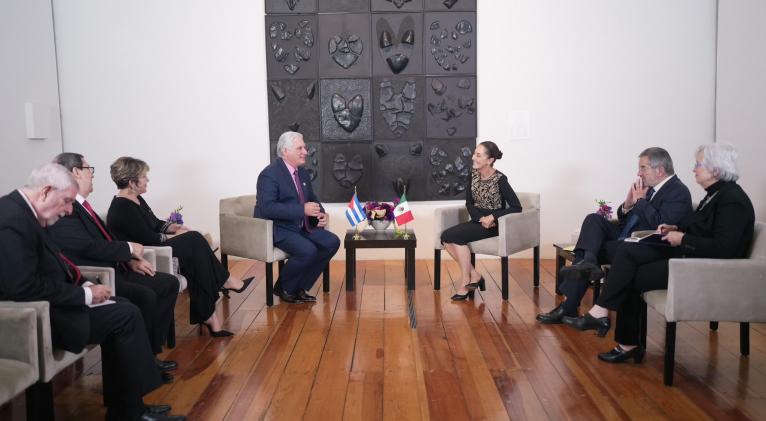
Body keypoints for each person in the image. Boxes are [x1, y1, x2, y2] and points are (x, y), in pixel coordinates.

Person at [0, 164, 184, 421]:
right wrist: (85, 296)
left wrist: (85, 285)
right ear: (45, 192)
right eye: (65, 202)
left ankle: (128, 407)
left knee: (121, 305)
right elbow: (23, 287)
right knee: (125, 314)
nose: (67, 210)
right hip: (34, 318)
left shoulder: (23, 212)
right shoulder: (11, 221)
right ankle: (129, 412)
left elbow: (56, 265)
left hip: (51, 304)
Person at [563, 143, 755, 363]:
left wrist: (682, 237)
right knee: (626, 257)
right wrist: (675, 229)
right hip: (688, 260)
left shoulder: (732, 200)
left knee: (628, 269)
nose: (693, 169)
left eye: (698, 164)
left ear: (716, 168)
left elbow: (725, 249)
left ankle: (614, 327)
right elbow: (701, 229)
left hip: (700, 270)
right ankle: (614, 328)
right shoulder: (716, 195)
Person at [47, 153, 180, 380]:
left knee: (168, 283)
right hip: (99, 274)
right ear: (77, 172)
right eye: (90, 168)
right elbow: (87, 247)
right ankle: (144, 364)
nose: (93, 174)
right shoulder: (68, 210)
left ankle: (150, 354)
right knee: (145, 296)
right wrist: (128, 251)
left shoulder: (83, 206)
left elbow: (105, 239)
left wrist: (128, 259)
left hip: (115, 267)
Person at [537, 147, 692, 324]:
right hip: (627, 236)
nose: (638, 173)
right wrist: (627, 204)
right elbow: (626, 220)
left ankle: (569, 304)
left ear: (660, 170)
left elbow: (661, 227)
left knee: (592, 248)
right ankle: (587, 263)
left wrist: (640, 201)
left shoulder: (677, 191)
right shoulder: (650, 189)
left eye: (643, 168)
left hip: (644, 246)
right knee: (593, 219)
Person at [105, 156, 253, 336]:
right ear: (131, 182)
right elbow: (146, 238)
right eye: (144, 176)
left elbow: (154, 223)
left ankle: (210, 315)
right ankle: (224, 282)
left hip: (157, 247)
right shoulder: (122, 207)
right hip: (149, 254)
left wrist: (172, 227)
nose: (147, 180)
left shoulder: (136, 199)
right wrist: (173, 235)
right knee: (194, 239)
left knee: (197, 261)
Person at [254, 131, 340, 303]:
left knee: (332, 242)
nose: (305, 152)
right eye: (300, 148)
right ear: (285, 151)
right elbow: (267, 208)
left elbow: (311, 198)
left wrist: (320, 213)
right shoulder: (269, 174)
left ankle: (299, 286)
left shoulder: (301, 172)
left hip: (301, 225)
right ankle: (284, 288)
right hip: (279, 228)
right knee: (308, 250)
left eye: (305, 148)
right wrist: (302, 210)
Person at [440, 141, 522, 301]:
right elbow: (469, 203)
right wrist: (480, 218)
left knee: (455, 237)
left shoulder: (500, 179)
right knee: (445, 238)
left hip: (495, 225)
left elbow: (516, 207)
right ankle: (475, 275)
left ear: (489, 160)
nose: (473, 157)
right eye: (474, 153)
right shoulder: (473, 175)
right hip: (479, 221)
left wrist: (493, 217)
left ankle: (465, 281)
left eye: (478, 155)